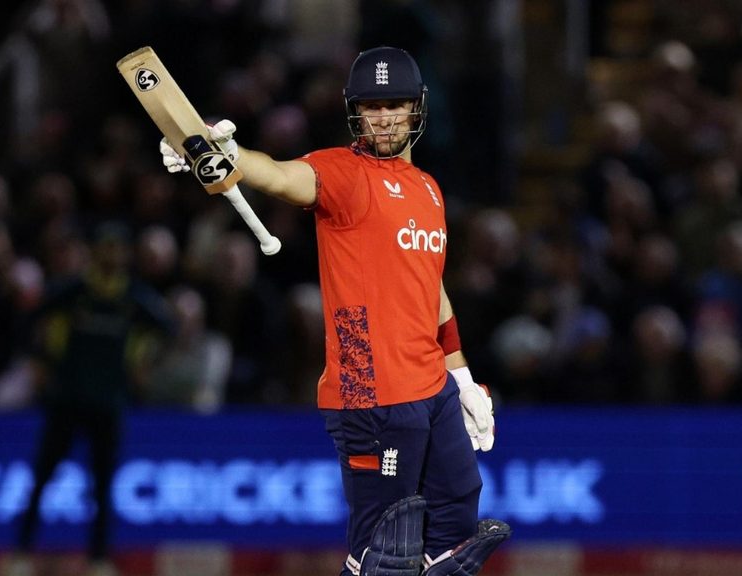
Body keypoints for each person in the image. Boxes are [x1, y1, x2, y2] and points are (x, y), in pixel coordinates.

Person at [160, 45, 510, 576]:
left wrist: (459, 376)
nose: (386, 117)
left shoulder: (430, 190)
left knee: (456, 533)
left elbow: (429, 286)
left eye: (396, 104)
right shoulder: (343, 174)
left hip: (431, 387)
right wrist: (224, 155)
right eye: (373, 105)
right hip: (371, 393)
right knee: (383, 553)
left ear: (417, 109)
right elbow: (280, 175)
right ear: (356, 111)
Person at [8, 221, 174, 576]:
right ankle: (21, 554)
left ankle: (98, 560)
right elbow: (29, 319)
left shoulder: (134, 298)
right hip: (67, 398)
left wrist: (144, 363)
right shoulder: (73, 292)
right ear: (95, 251)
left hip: (109, 403)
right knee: (42, 478)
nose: (111, 255)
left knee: (102, 485)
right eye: (105, 247)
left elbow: (169, 329)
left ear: (126, 255)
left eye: (118, 248)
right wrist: (41, 360)